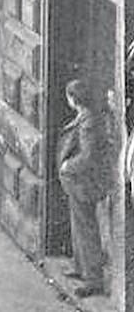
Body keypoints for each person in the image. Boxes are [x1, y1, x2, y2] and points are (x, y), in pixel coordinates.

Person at [57, 78, 115, 297]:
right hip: (78, 183)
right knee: (79, 225)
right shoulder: (86, 117)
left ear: (74, 99)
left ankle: (93, 279)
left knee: (87, 229)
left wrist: (67, 166)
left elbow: (88, 156)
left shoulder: (89, 122)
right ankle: (81, 267)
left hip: (84, 183)